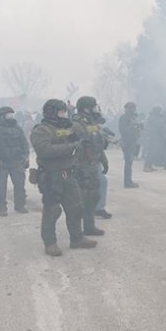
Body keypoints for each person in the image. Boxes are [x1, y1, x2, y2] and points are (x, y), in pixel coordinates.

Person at [30, 99, 97, 256]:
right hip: (52, 176)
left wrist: (86, 140)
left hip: (69, 173)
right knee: (52, 211)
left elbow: (82, 134)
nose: (64, 115)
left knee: (76, 207)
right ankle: (50, 243)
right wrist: (72, 147)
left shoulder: (66, 128)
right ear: (51, 113)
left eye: (64, 112)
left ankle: (76, 238)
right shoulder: (41, 130)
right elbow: (45, 150)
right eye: (61, 112)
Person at [71, 96, 108, 237]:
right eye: (93, 106)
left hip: (93, 161)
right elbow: (81, 140)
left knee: (93, 195)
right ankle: (77, 230)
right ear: (86, 107)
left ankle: (89, 225)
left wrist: (104, 160)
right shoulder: (77, 123)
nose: (96, 109)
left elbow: (98, 142)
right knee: (81, 197)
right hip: (82, 164)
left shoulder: (91, 122)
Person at [0, 107, 30, 216]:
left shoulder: (18, 129)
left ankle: (20, 205)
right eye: (8, 115)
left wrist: (26, 155)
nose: (11, 117)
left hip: (16, 161)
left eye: (12, 115)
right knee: (1, 187)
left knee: (20, 185)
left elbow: (24, 143)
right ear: (1, 117)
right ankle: (2, 208)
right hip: (2, 162)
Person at [118, 102, 142, 188]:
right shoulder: (123, 118)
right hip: (127, 142)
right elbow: (123, 131)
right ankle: (127, 182)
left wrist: (139, 126)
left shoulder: (133, 117)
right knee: (128, 162)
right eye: (131, 108)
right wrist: (132, 125)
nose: (132, 110)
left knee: (130, 162)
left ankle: (129, 180)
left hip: (133, 141)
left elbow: (138, 129)